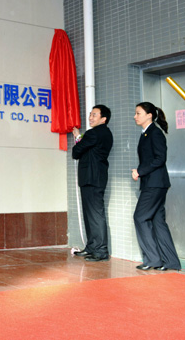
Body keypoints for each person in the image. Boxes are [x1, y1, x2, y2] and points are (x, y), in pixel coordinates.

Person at [131, 102, 181, 271]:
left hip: (155, 184)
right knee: (158, 221)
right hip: (154, 183)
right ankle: (171, 262)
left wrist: (140, 171)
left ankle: (153, 259)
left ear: (149, 115)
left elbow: (160, 158)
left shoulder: (155, 133)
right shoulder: (146, 133)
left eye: (138, 113)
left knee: (140, 217)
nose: (135, 116)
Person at [71, 105, 113, 262]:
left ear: (103, 119)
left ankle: (100, 250)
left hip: (91, 178)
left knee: (94, 215)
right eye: (90, 114)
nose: (90, 117)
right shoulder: (106, 133)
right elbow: (87, 150)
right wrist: (80, 138)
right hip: (96, 178)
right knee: (91, 215)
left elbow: (76, 152)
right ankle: (92, 247)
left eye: (94, 115)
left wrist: (78, 138)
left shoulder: (93, 133)